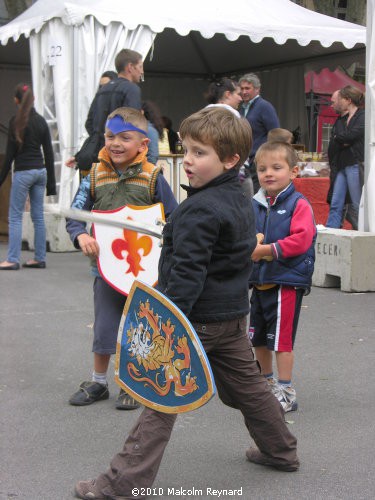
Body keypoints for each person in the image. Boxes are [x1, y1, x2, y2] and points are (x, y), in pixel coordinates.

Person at [73, 108, 299, 500]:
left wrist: (169, 322)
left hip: (196, 319)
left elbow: (188, 276)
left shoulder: (199, 209)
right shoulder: (240, 197)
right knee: (250, 389)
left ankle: (119, 484)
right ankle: (282, 450)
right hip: (230, 316)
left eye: (200, 153)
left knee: (160, 397)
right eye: (186, 150)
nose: (188, 161)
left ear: (230, 160)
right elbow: (235, 252)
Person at [66, 107, 177, 410]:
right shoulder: (93, 177)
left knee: (139, 328)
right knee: (104, 326)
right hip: (105, 268)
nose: (115, 143)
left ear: (143, 145)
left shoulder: (153, 177)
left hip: (145, 273)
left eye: (125, 138)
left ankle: (136, 382)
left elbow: (174, 218)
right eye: (110, 136)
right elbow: (74, 216)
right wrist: (81, 236)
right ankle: (98, 382)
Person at [249, 141, 316, 413]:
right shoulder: (256, 203)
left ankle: (286, 390)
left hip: (285, 281)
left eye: (277, 167)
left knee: (281, 340)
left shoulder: (299, 204)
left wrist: (266, 250)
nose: (269, 173)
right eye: (263, 168)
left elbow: (302, 240)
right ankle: (266, 386)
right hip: (260, 281)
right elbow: (246, 236)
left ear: (294, 172)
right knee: (258, 338)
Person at [0, 83, 56, 271]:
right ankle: (39, 258)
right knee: (37, 216)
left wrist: (0, 180)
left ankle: (13, 259)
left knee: (15, 217)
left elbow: (9, 156)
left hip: (24, 172)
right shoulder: (41, 121)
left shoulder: (15, 121)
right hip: (40, 172)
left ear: (16, 100)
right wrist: (51, 185)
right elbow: (49, 153)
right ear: (34, 100)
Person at [66, 49, 144, 172]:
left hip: (95, 156)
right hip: (117, 159)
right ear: (130, 67)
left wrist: (103, 137)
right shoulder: (131, 89)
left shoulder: (103, 90)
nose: (142, 71)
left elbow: (89, 123)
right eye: (140, 66)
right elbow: (132, 125)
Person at [326, 86, 365, 230]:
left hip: (353, 163)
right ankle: (331, 232)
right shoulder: (344, 118)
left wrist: (340, 138)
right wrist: (343, 139)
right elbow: (345, 137)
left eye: (340, 99)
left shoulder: (362, 115)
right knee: (336, 203)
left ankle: (363, 233)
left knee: (357, 203)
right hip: (343, 164)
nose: (337, 102)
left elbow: (351, 135)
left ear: (348, 100)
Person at [239, 73, 280, 192]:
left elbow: (275, 133)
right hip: (245, 161)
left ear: (257, 89)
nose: (244, 92)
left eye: (247, 88)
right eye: (242, 88)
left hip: (259, 159)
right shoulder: (241, 108)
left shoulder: (265, 107)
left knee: (257, 195)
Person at [84, 71, 118, 137]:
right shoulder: (97, 100)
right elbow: (89, 123)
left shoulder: (119, 100)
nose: (103, 89)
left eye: (106, 86)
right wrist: (96, 138)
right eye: (101, 86)